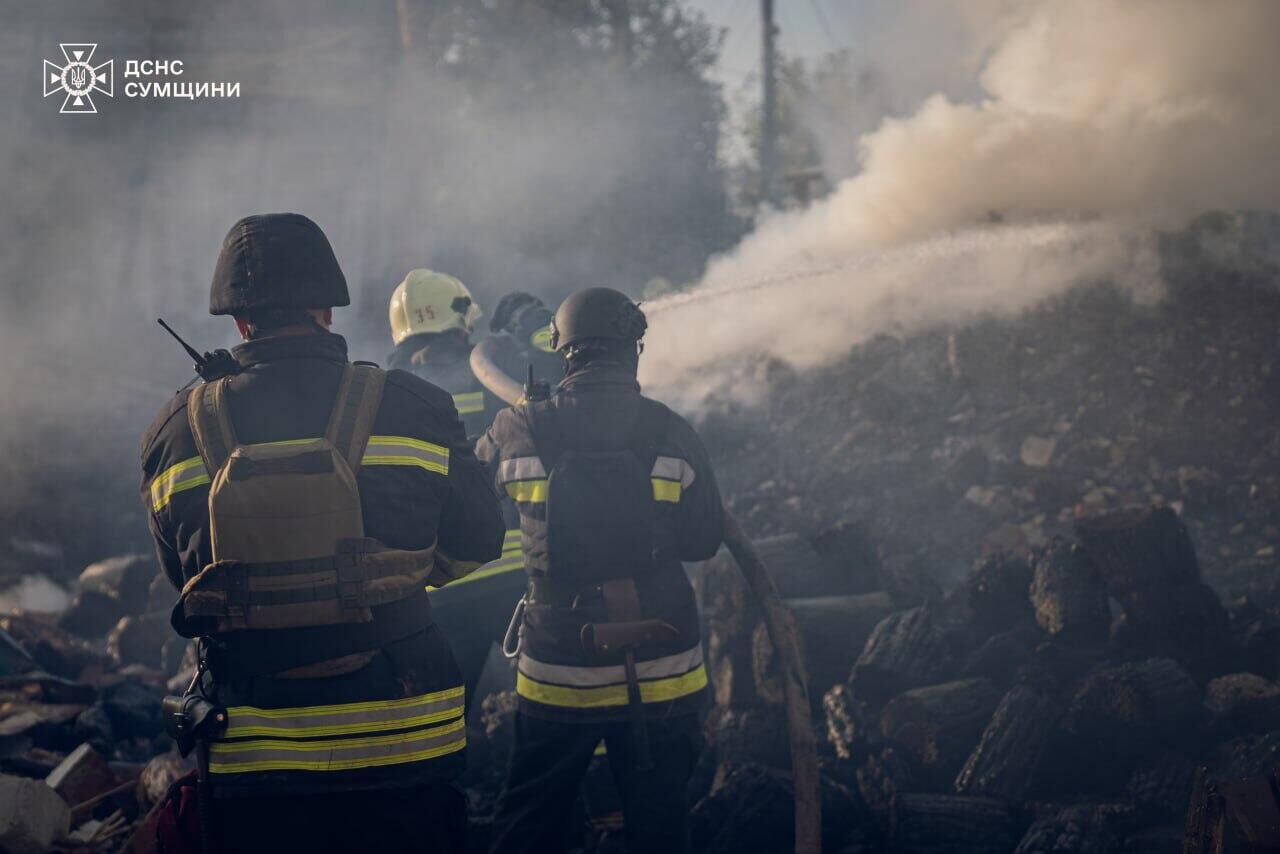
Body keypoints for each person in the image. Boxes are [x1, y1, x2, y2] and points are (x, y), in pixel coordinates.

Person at [140, 213, 504, 853]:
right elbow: (477, 542)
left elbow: (185, 580)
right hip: (407, 742)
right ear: (325, 309)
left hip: (255, 761)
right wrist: (394, 578)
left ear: (239, 322)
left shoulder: (173, 433)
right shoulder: (415, 407)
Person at [477, 287, 724, 854]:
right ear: (632, 352)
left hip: (561, 668)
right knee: (661, 826)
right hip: (666, 668)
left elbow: (469, 513)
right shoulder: (673, 430)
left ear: (565, 354)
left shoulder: (519, 427)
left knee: (532, 820)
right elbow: (705, 540)